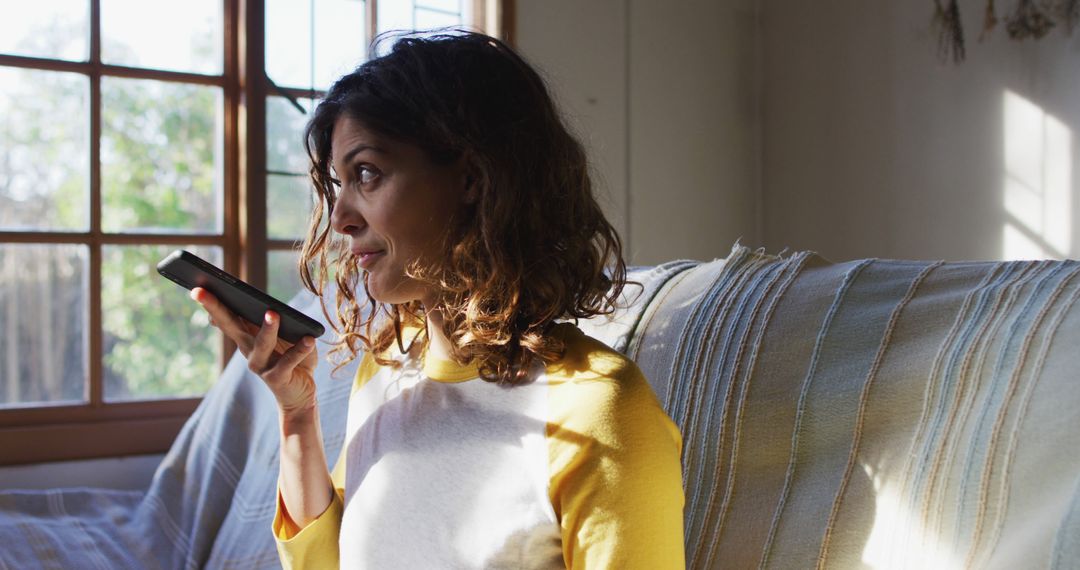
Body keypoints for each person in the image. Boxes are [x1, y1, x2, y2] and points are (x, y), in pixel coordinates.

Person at [191, 31, 684, 569]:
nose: (341, 217)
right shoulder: (383, 374)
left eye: (368, 174)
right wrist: (296, 417)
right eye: (340, 183)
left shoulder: (600, 407)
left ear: (472, 178)